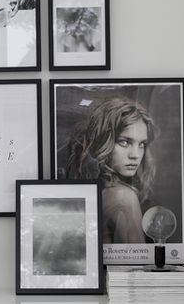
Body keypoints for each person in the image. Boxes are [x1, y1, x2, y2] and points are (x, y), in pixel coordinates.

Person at [65, 98, 156, 244]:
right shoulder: (123, 196)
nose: (135, 155)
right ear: (104, 141)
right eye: (124, 142)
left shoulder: (100, 191)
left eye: (142, 144)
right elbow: (137, 264)